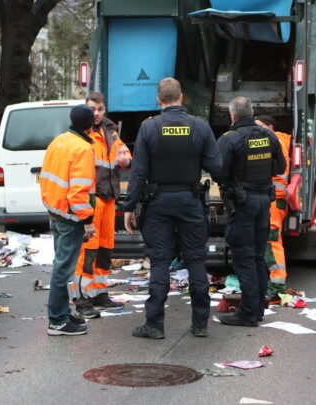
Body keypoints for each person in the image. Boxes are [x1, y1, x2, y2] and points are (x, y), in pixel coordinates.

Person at [121, 77, 222, 339]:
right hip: (191, 201)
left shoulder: (149, 127)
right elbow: (216, 166)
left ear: (159, 100)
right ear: (182, 97)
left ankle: (154, 325)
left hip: (158, 203)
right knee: (196, 260)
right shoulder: (199, 126)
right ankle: (200, 324)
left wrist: (129, 206)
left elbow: (138, 172)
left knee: (160, 262)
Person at [216, 98, 285, 327]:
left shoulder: (230, 139)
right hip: (264, 201)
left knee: (244, 258)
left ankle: (247, 314)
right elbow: (281, 167)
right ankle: (257, 310)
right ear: (252, 113)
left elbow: (218, 173)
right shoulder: (269, 136)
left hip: (243, 204)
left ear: (233, 116)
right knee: (257, 257)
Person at [72, 92, 132, 318]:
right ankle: (82, 297)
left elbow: (124, 153)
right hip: (92, 198)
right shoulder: (83, 133)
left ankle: (99, 292)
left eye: (100, 109)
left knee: (105, 247)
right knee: (88, 249)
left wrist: (127, 160)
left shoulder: (111, 131)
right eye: (92, 109)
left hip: (108, 197)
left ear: (105, 109)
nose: (96, 113)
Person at [40, 104, 97, 336]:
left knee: (61, 267)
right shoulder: (83, 148)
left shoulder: (59, 141)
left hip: (56, 211)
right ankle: (57, 321)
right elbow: (78, 192)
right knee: (63, 270)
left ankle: (62, 314)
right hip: (71, 217)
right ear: (90, 126)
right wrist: (88, 219)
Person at [254, 115, 290, 303]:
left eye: (260, 126)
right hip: (274, 199)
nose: (256, 129)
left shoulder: (274, 142)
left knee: (272, 240)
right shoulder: (278, 140)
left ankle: (277, 287)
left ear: (270, 126)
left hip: (274, 199)